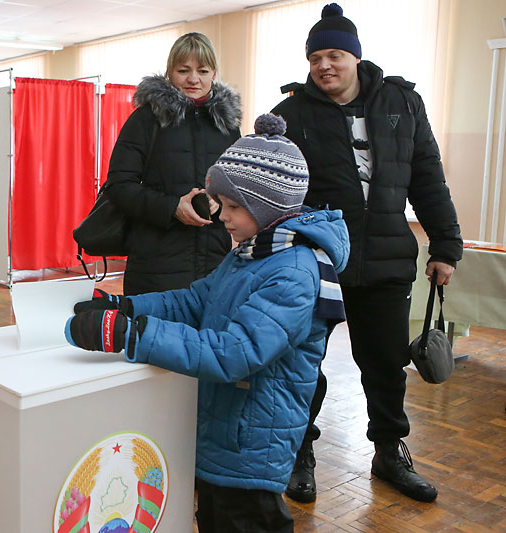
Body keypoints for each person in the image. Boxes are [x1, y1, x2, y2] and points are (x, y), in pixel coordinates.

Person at [65, 115, 350, 533]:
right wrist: (125, 306)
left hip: (252, 441)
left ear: (266, 207)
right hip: (226, 430)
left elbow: (235, 352)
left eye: (234, 207)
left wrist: (131, 335)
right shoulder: (253, 251)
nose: (222, 217)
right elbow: (196, 301)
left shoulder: (293, 270)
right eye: (222, 204)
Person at [271, 3, 463, 504]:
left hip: (385, 260)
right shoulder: (290, 115)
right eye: (315, 57)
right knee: (301, 364)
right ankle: (299, 452)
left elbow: (428, 176)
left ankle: (389, 451)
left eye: (334, 54)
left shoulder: (401, 102)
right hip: (315, 263)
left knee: (383, 364)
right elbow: (275, 192)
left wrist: (445, 245)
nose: (324, 66)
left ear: (356, 57)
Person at [104, 32, 242, 296]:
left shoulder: (227, 125)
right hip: (156, 265)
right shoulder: (146, 120)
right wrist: (172, 208)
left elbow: (238, 186)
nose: (193, 79)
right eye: (183, 70)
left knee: (208, 337)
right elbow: (119, 186)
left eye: (202, 70)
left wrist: (221, 201)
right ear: (169, 72)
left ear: (214, 73)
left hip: (214, 263)